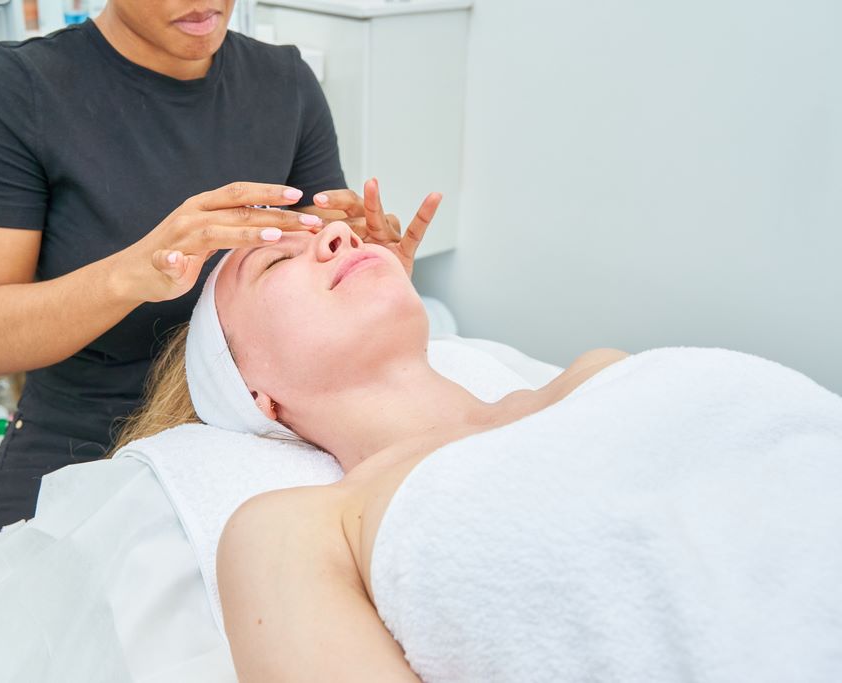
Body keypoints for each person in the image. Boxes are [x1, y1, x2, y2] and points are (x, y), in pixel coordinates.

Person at [116, 220, 842, 681]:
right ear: (256, 394)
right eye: (275, 265)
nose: (337, 235)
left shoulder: (596, 372)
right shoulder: (293, 530)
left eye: (334, 230)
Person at [0, 0, 441, 554]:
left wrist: (366, 272)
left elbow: (315, 254)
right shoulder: (26, 88)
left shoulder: (285, 83)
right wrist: (133, 273)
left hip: (261, 427)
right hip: (83, 434)